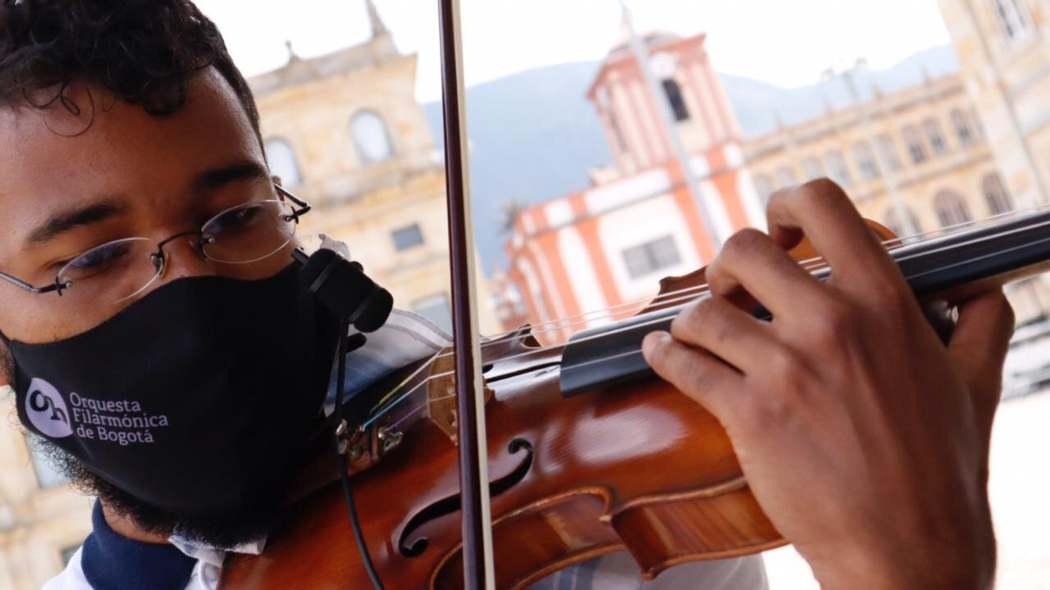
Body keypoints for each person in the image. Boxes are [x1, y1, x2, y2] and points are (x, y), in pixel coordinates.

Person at [0, 2, 1010, 589]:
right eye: (90, 259)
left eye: (235, 220)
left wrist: (914, 563)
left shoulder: (549, 518)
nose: (189, 296)